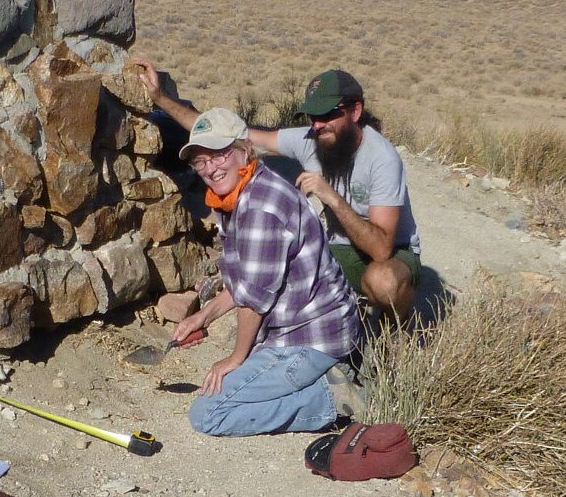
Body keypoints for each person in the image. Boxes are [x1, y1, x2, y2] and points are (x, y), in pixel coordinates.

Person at [136, 60, 421, 323]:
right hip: (340, 248)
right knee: (283, 278)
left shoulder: (382, 158)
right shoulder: (311, 140)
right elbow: (229, 135)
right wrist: (161, 99)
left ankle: (397, 328)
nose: (318, 124)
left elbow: (381, 249)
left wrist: (331, 197)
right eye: (313, 116)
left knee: (382, 282)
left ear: (355, 111)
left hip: (393, 254)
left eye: (328, 114)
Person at [168, 107, 363, 436]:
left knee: (209, 413)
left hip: (310, 337)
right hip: (297, 330)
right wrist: (204, 317)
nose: (210, 168)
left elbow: (254, 300)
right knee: (233, 392)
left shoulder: (261, 206)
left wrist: (234, 358)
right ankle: (326, 377)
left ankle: (331, 400)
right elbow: (248, 282)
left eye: (219, 155)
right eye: (200, 161)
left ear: (244, 150)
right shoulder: (237, 195)